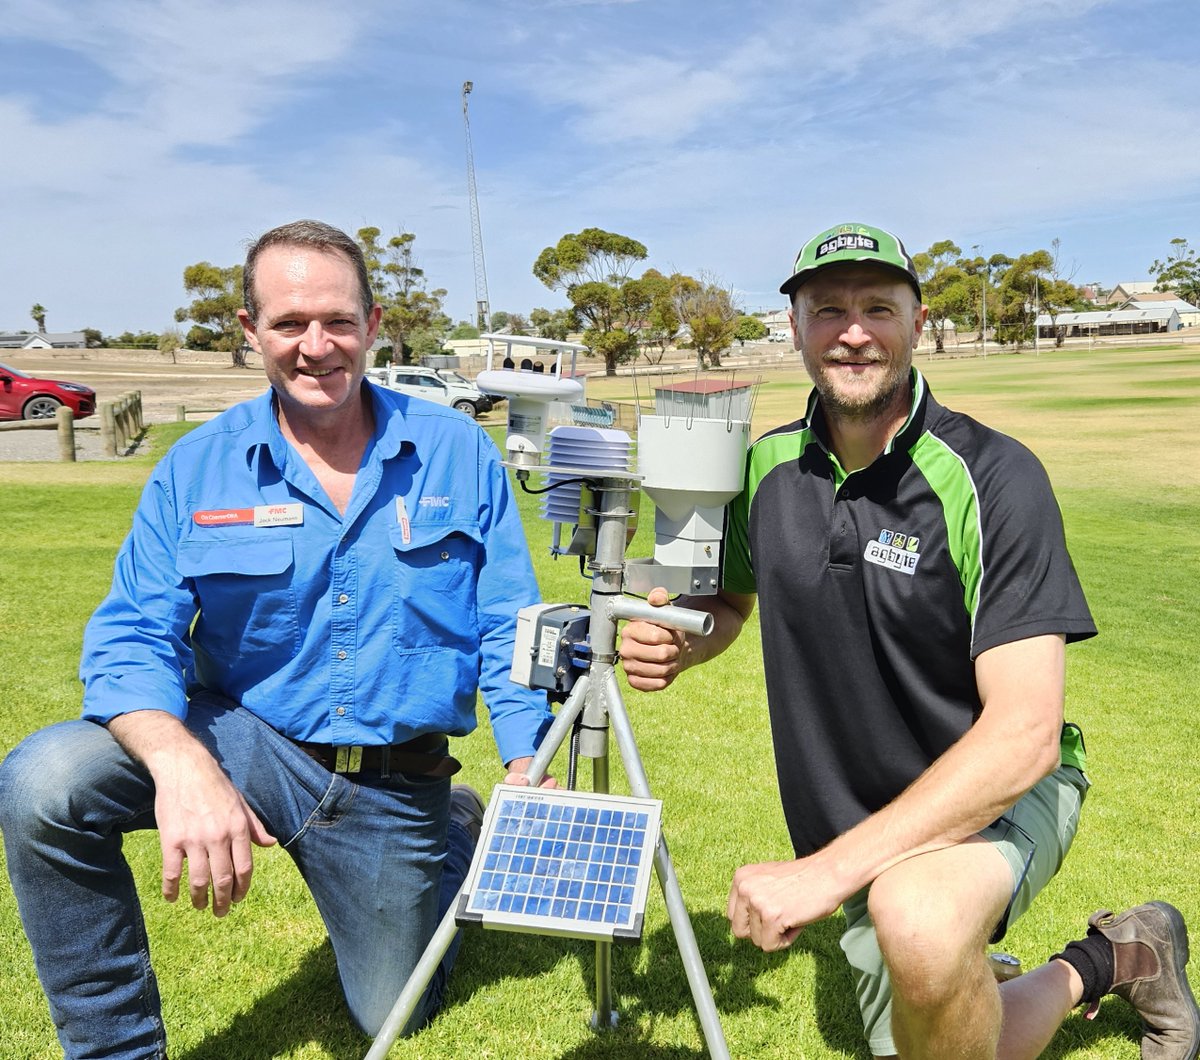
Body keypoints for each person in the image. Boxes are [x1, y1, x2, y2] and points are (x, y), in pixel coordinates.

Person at [619, 222, 1199, 1059]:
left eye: (878, 309)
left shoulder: (994, 477)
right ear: (795, 327)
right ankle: (1119, 956)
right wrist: (684, 640)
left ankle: (956, 940)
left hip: (997, 798)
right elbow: (731, 602)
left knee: (919, 920)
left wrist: (827, 873)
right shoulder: (765, 470)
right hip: (862, 830)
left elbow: (1026, 735)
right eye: (828, 309)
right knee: (930, 1025)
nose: (853, 332)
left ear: (918, 323)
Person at [0, 219, 554, 1058]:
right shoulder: (197, 466)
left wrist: (525, 763)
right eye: (290, 323)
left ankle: (455, 832)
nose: (315, 346)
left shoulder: (456, 452)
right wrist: (181, 764)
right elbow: (132, 636)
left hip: (391, 780)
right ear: (250, 330)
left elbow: (507, 620)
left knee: (393, 1014)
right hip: (244, 742)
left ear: (373, 325)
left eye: (338, 321)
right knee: (45, 784)